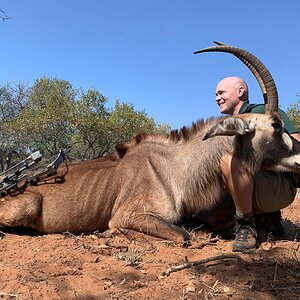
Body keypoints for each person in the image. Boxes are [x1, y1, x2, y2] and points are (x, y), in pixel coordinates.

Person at [215, 76, 300, 252]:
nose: (217, 98)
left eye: (221, 92)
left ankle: (246, 226)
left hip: (277, 188)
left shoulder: (262, 111)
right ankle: (266, 219)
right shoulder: (232, 124)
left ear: (240, 91)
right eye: (216, 94)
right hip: (255, 190)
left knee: (230, 160)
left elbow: (295, 142)